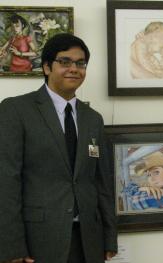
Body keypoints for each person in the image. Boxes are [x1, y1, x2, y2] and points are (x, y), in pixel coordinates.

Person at [0, 33, 117, 263]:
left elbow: (102, 182)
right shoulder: (16, 110)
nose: (74, 69)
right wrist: (12, 247)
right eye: (65, 62)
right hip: (37, 241)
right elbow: (6, 183)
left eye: (80, 63)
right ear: (46, 67)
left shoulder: (93, 119)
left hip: (88, 240)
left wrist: (109, 237)